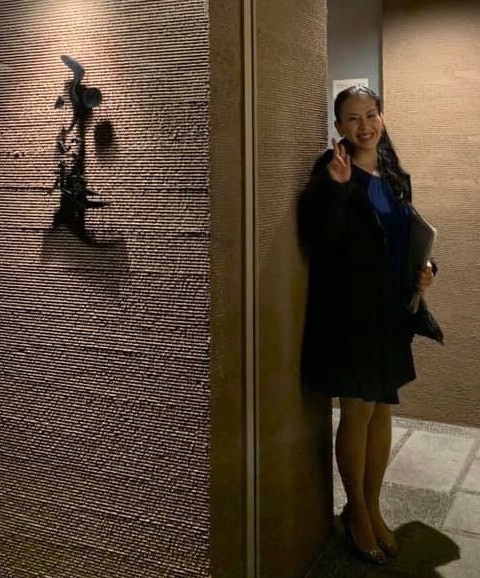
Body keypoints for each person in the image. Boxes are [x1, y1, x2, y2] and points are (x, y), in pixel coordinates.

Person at [298, 86, 443, 565]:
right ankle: (356, 512)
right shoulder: (332, 170)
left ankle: (374, 507)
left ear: (381, 116)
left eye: (371, 114)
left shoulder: (394, 173)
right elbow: (319, 241)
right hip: (351, 314)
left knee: (382, 410)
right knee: (356, 411)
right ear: (339, 125)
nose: (364, 126)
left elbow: (405, 239)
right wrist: (339, 190)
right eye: (353, 118)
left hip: (390, 312)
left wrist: (426, 270)